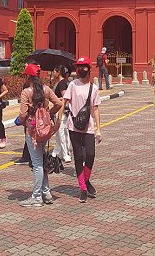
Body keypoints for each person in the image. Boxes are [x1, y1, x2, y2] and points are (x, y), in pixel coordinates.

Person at [17, 63, 63, 207]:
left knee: (37, 164)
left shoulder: (26, 92)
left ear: (28, 77)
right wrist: (48, 114)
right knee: (41, 162)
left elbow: (22, 115)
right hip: (45, 131)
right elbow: (58, 104)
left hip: (33, 132)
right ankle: (46, 193)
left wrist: (20, 121)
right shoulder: (46, 89)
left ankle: (36, 197)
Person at [62, 57, 102, 203]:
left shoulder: (94, 88)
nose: (81, 69)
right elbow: (64, 102)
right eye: (79, 67)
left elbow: (95, 109)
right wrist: (57, 120)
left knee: (90, 154)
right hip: (73, 126)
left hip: (88, 127)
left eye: (84, 67)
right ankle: (83, 188)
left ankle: (86, 179)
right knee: (79, 157)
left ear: (89, 69)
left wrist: (98, 129)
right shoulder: (73, 85)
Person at [50, 66, 72, 163]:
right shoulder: (61, 83)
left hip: (61, 111)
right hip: (61, 111)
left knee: (62, 133)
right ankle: (56, 152)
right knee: (60, 134)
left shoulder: (62, 84)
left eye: (54, 71)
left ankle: (65, 153)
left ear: (58, 72)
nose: (53, 73)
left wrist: (55, 100)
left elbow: (65, 98)